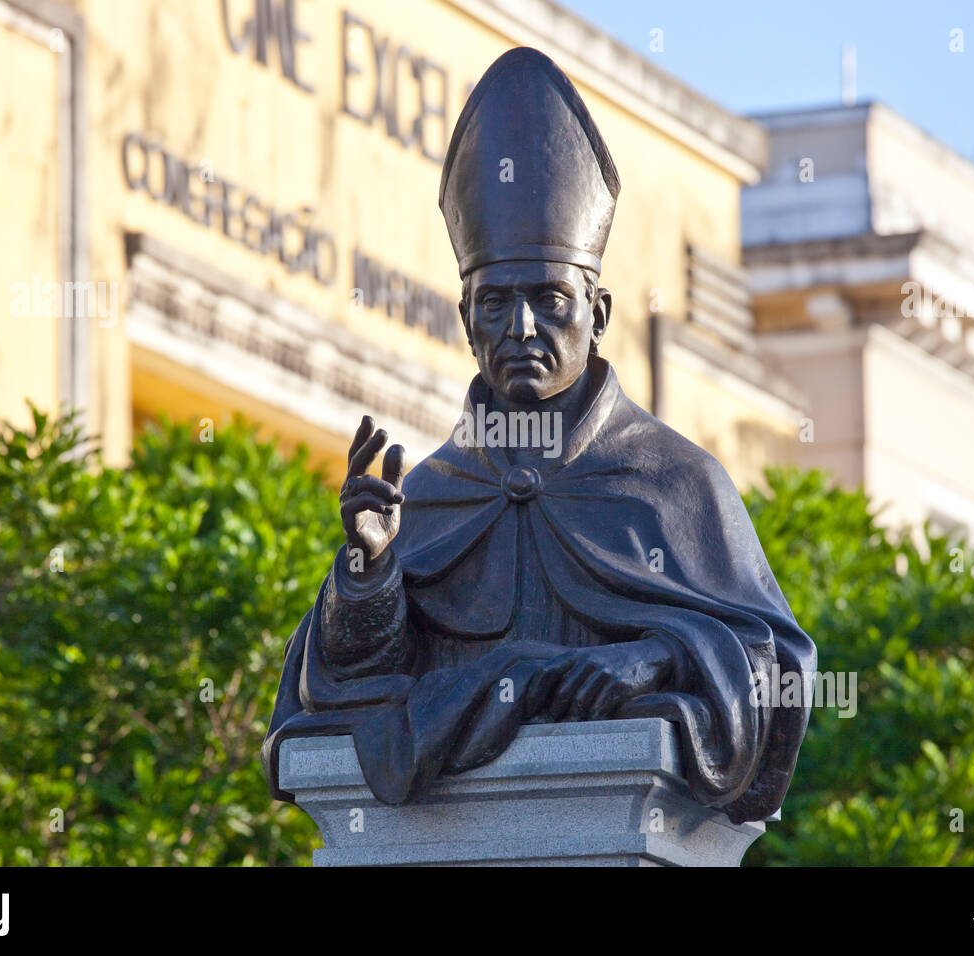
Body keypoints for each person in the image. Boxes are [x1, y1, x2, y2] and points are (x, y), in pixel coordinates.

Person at [263, 47, 815, 823]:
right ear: (464, 320)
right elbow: (351, 686)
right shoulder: (423, 495)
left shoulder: (676, 481)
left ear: (597, 313)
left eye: (550, 299)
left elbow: (776, 664)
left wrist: (652, 657)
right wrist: (370, 567)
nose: (521, 326)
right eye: (494, 303)